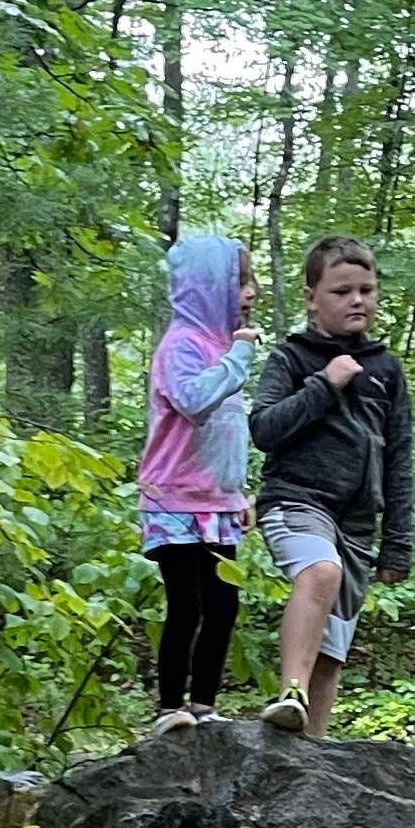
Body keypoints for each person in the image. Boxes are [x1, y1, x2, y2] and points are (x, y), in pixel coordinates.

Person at [248, 233, 414, 737]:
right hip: (295, 500)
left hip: (357, 524)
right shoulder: (293, 358)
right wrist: (325, 383)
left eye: (367, 289)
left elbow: (400, 458)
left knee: (331, 653)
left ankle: (311, 758)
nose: (358, 300)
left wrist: (398, 543)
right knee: (321, 573)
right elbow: (263, 429)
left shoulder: (387, 368)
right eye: (342, 291)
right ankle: (288, 690)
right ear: (311, 296)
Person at [136, 231, 259, 727]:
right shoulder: (181, 345)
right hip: (172, 501)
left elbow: (226, 435)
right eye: (241, 282)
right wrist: (239, 358)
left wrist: (237, 490)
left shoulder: (222, 345)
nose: (251, 293)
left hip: (217, 503)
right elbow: (193, 401)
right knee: (185, 606)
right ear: (210, 287)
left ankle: (205, 706)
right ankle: (170, 707)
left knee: (223, 606)